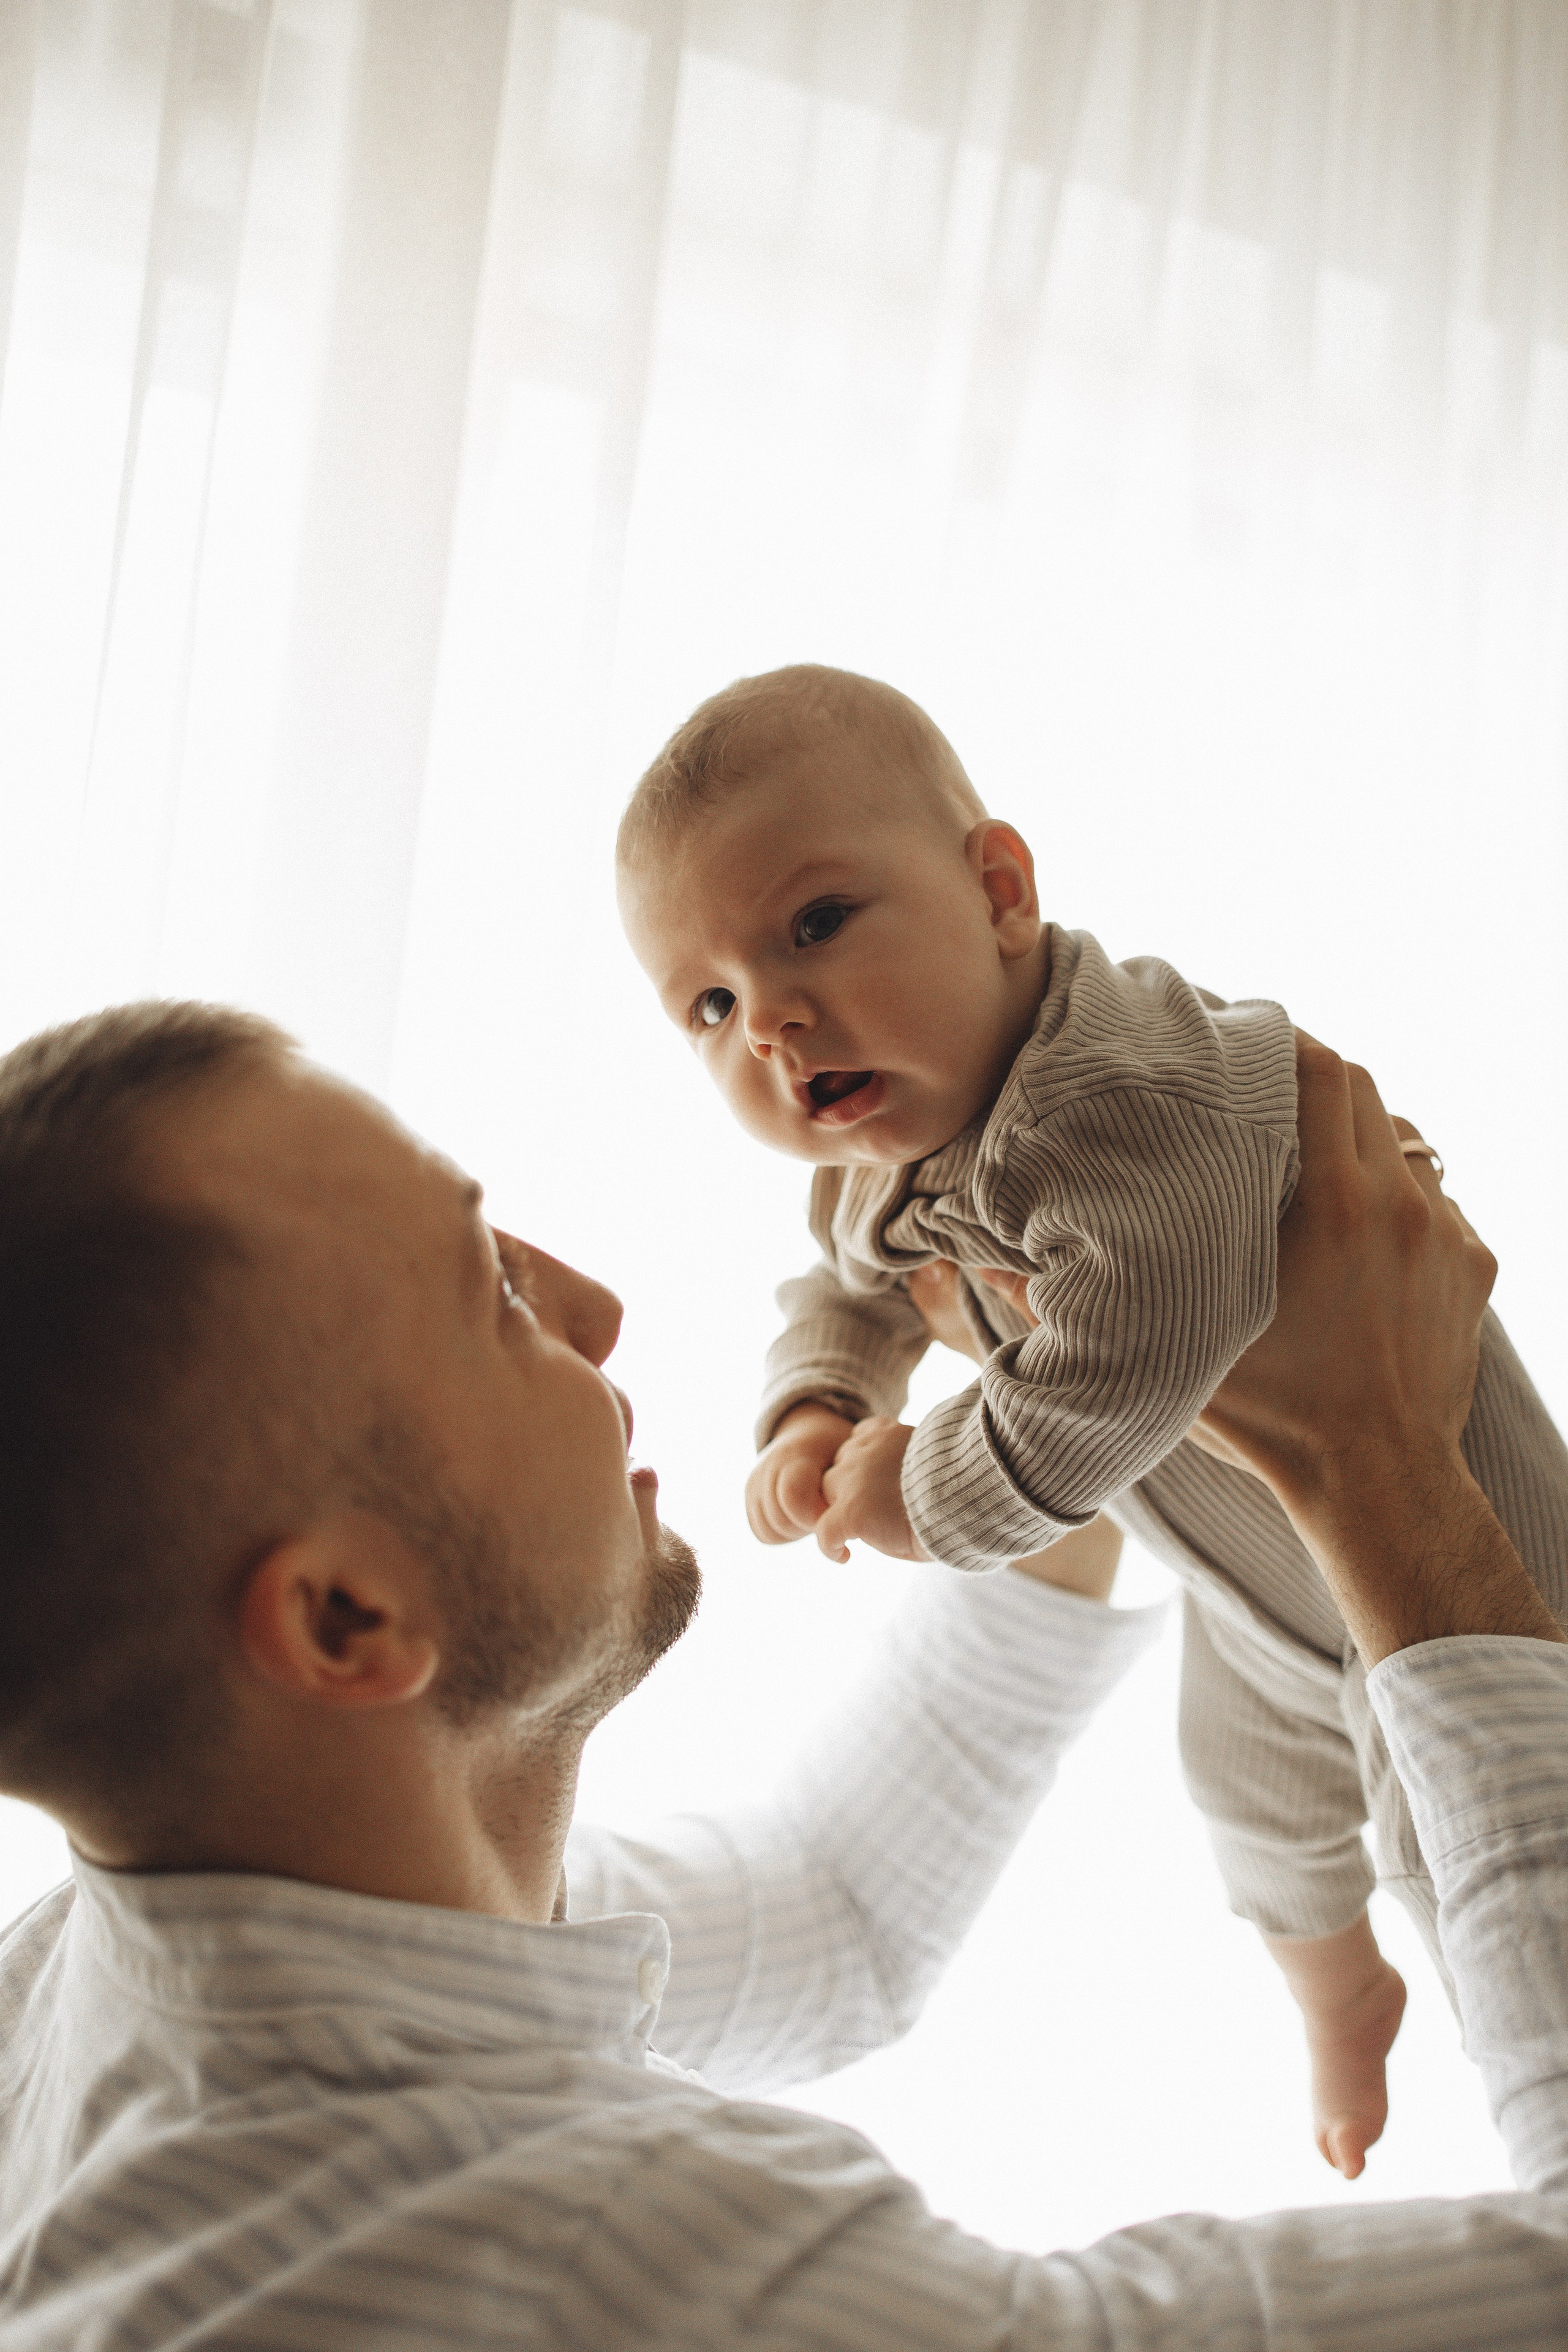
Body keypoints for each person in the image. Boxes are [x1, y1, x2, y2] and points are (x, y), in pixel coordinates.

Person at [0, 1001, 1565, 2351]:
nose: (596, 1311)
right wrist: (1385, 1471)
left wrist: (1046, 1393)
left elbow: (838, 1919)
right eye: (486, 1289)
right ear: (345, 1623)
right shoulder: (599, 2273)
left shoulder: (115, 1965)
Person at [616, 663, 1568, 2176]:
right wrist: (818, 1401)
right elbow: (853, 1280)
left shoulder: (1115, 1098)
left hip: (1472, 1579)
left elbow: (1125, 1356)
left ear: (997, 889)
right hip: (1254, 1591)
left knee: (1451, 1851)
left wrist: (920, 1495)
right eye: (712, 1004)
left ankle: (1493, 2068)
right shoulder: (891, 1127)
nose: (776, 1024)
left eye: (814, 926)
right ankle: (1341, 2002)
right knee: (1245, 1806)